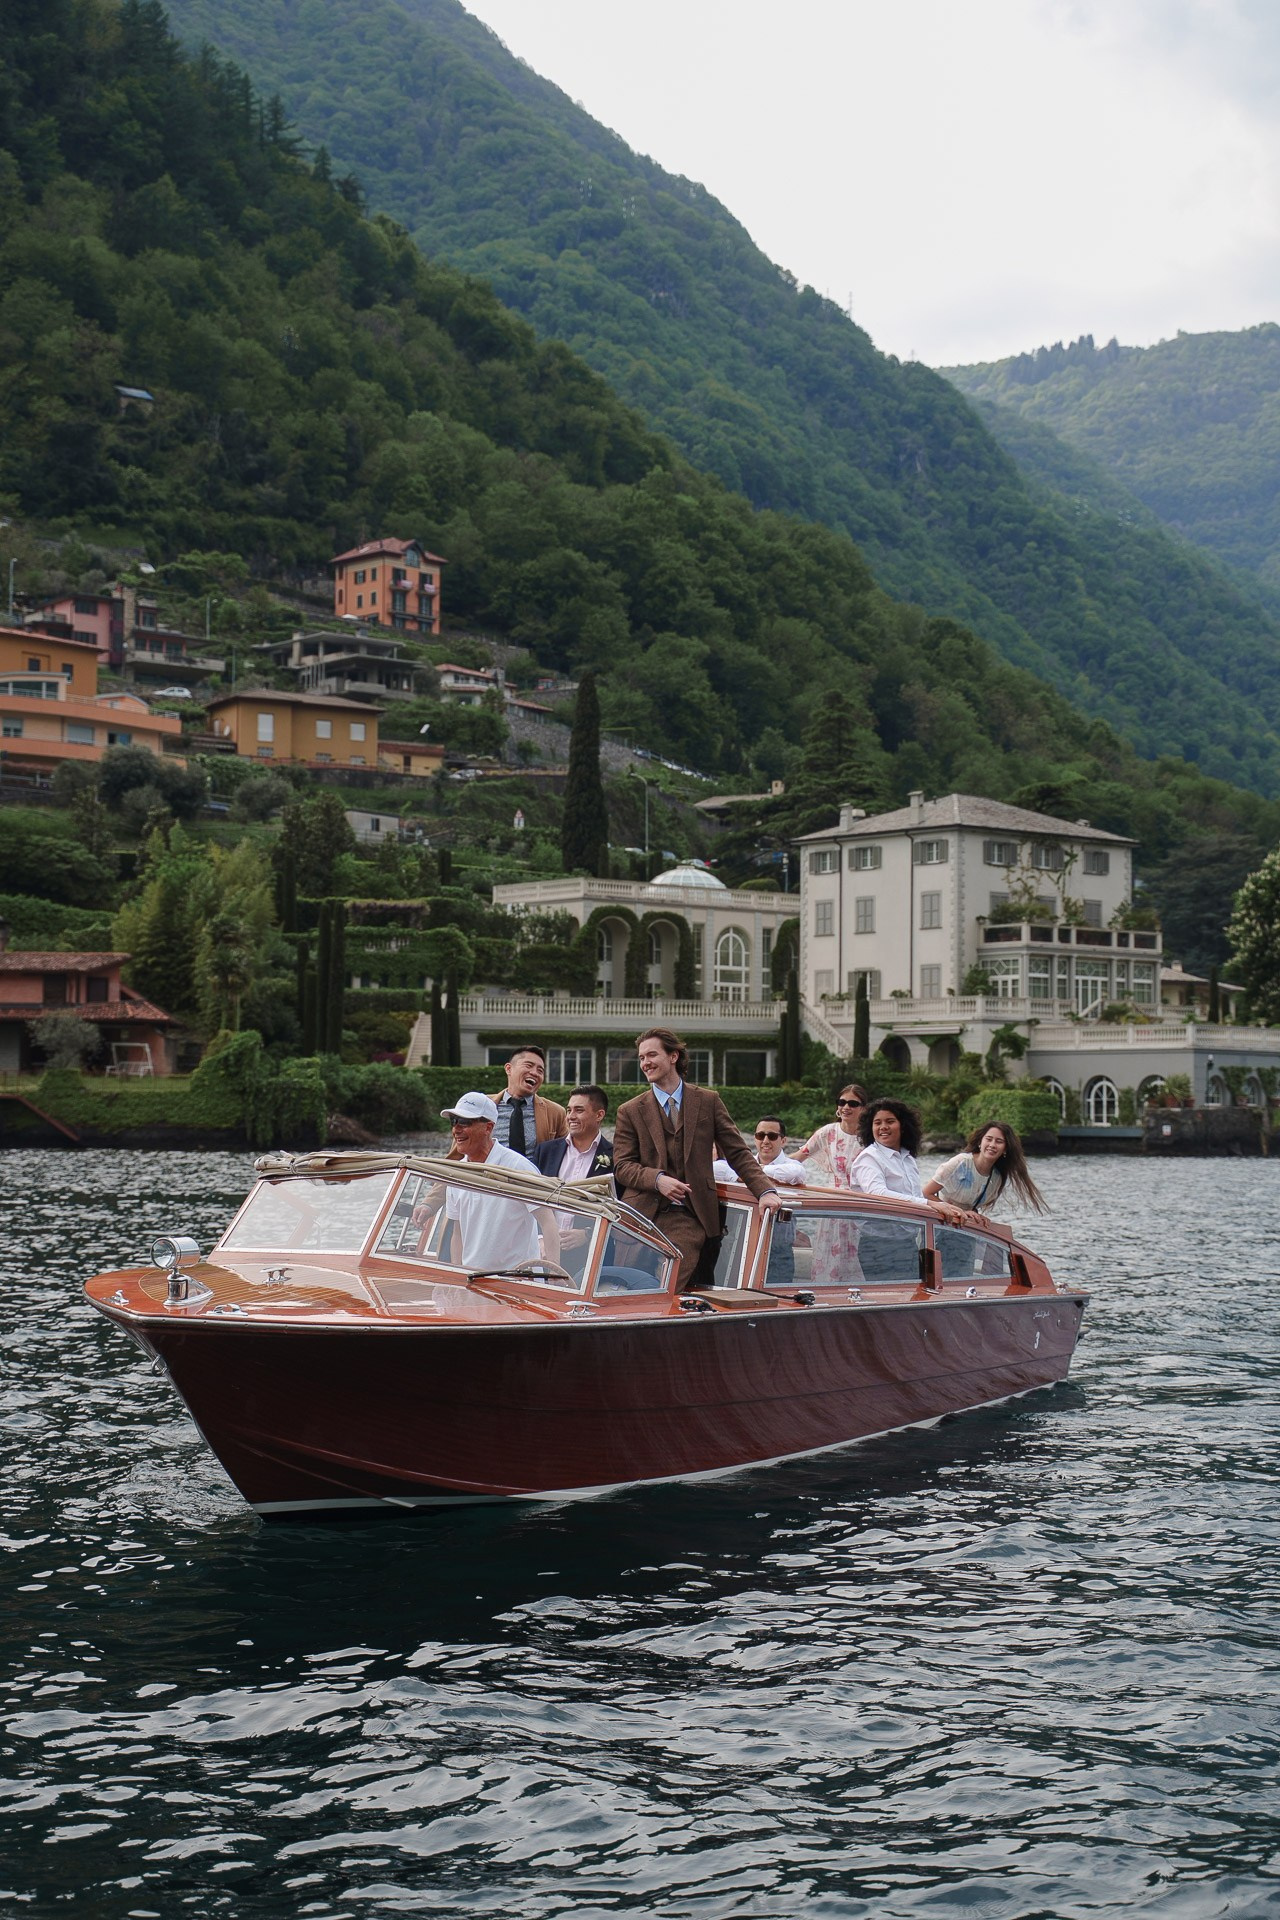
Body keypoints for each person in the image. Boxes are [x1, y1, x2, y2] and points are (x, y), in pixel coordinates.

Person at [612, 1027, 780, 1291]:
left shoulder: (708, 1101)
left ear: (674, 1056)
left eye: (652, 1055)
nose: (645, 1063)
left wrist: (766, 1191)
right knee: (625, 1291)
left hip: (690, 1215)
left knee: (667, 1288)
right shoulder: (630, 1110)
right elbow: (622, 1167)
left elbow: (737, 1151)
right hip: (640, 1217)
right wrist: (658, 1180)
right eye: (641, 1057)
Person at [416, 1091, 560, 1273]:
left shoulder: (519, 1167)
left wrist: (555, 1277)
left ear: (488, 1128)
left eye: (465, 1122)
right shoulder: (457, 1173)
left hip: (519, 1282)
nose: (456, 1129)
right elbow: (458, 1233)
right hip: (475, 1282)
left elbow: (548, 1222)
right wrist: (458, 1277)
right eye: (454, 1121)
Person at [850, 1099, 964, 1222]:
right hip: (877, 1235)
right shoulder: (869, 1158)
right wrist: (929, 1203)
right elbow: (877, 1194)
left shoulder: (908, 1159)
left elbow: (916, 1197)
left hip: (910, 1233)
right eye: (877, 1123)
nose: (883, 1127)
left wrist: (947, 1208)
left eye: (890, 1121)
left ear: (903, 1126)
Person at [924, 1121, 1047, 1215]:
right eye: (989, 1139)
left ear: (1005, 1149)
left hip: (963, 1228)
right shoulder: (961, 1163)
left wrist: (974, 1215)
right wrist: (959, 1211)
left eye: (999, 1141)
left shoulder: (996, 1178)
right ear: (980, 1142)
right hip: (939, 1222)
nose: (992, 1145)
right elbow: (925, 1193)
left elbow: (971, 1209)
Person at [530, 1085, 615, 1184]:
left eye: (579, 1110)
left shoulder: (615, 1156)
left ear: (599, 1115)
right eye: (569, 1110)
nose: (571, 1116)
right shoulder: (545, 1151)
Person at [493, 1047, 568, 1155]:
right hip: (490, 1170)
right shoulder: (484, 1105)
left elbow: (567, 1153)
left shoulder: (555, 1112)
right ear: (508, 1069)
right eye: (528, 1066)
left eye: (540, 1070)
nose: (534, 1073)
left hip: (533, 1171)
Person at [794, 1084, 868, 1188]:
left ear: (863, 1108)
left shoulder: (871, 1135)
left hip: (865, 1198)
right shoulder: (827, 1132)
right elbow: (797, 1157)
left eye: (853, 1104)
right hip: (834, 1196)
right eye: (842, 1102)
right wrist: (766, 1166)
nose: (846, 1107)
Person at [713, 1116, 807, 1187]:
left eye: (772, 1136)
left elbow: (798, 1173)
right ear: (755, 1139)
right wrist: (739, 1175)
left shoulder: (793, 1166)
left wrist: (749, 1172)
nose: (765, 1141)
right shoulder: (743, 1163)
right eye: (760, 1136)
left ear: (783, 1141)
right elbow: (714, 1167)